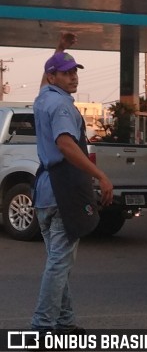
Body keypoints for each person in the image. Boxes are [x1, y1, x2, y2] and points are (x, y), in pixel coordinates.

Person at [31, 32, 114, 335]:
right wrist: (101, 175)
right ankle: (42, 328)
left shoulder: (44, 98)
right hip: (63, 190)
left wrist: (60, 50)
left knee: (57, 262)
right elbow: (66, 145)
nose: (72, 78)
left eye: (74, 71)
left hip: (43, 191)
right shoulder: (62, 107)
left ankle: (64, 322)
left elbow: (44, 82)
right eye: (65, 73)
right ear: (54, 76)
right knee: (58, 264)